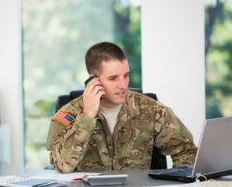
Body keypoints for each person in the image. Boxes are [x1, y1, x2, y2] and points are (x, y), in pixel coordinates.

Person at [46, 42, 197, 173]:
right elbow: (62, 166)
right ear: (93, 80)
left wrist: (172, 186)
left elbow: (187, 152)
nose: (123, 85)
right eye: (113, 78)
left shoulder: (152, 110)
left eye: (126, 75)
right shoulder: (69, 113)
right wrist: (87, 116)